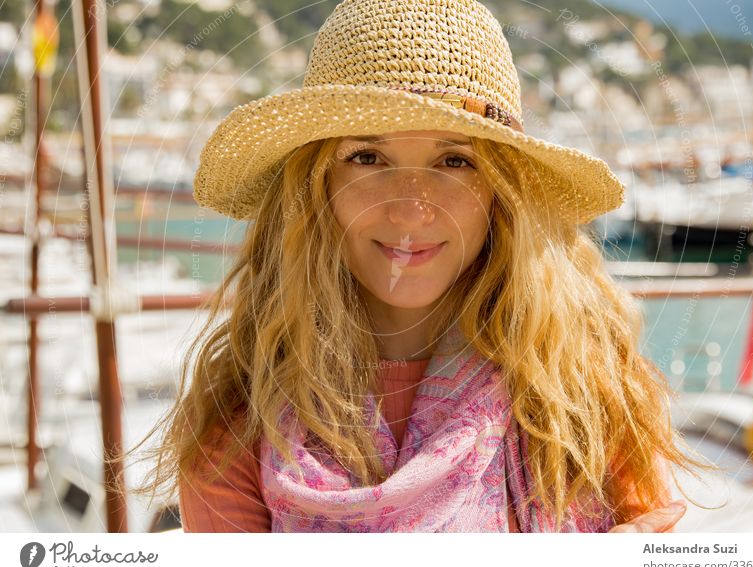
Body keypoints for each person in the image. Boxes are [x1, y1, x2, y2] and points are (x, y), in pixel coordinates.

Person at [126, 0, 712, 533]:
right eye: (367, 157)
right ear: (316, 187)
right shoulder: (237, 434)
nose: (410, 205)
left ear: (499, 194)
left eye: (454, 160)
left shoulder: (584, 392)